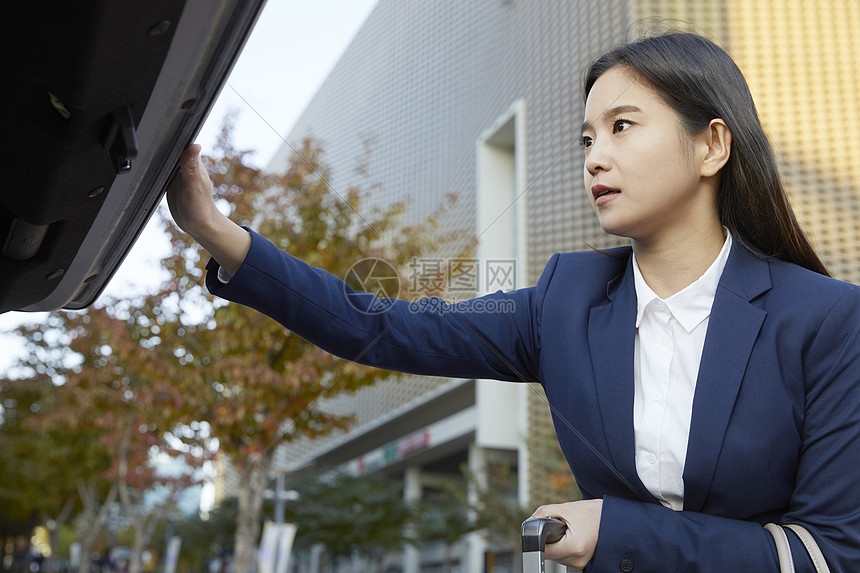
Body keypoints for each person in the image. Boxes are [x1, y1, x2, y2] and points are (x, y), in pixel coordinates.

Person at [168, 32, 860, 572]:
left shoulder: (826, 320)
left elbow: (831, 553)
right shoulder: (566, 301)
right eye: (587, 137)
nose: (593, 155)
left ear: (711, 145)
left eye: (622, 126)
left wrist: (617, 533)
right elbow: (376, 326)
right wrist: (217, 232)